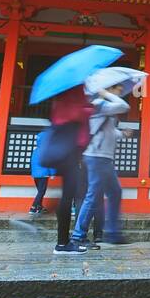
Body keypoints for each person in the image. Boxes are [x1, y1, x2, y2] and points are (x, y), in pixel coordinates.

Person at [69, 83, 129, 252]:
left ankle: (112, 233)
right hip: (96, 157)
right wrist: (106, 93)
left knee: (114, 192)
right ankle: (78, 236)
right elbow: (124, 106)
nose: (120, 92)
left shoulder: (104, 107)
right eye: (118, 89)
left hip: (103, 158)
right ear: (109, 89)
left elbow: (104, 130)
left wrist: (121, 133)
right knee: (93, 196)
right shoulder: (100, 104)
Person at [48, 87, 94, 254]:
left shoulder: (60, 97)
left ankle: (63, 242)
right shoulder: (73, 96)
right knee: (69, 195)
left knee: (68, 195)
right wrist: (90, 108)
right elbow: (78, 115)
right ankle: (62, 243)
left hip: (65, 149)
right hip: (70, 150)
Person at [29, 127, 57, 214]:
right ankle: (33, 207)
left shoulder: (35, 150)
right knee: (42, 191)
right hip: (43, 174)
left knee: (40, 191)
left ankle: (39, 207)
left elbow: (32, 162)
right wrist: (52, 173)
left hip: (35, 174)